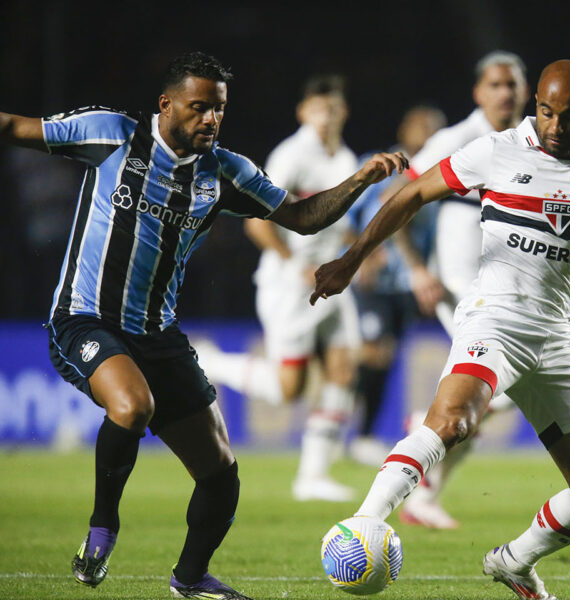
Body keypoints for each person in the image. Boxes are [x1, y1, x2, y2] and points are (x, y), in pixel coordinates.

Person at [311, 59, 570, 599]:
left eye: (569, 116)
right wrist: (351, 259)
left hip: (553, 338)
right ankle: (364, 522)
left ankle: (514, 561)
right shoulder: (499, 149)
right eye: (546, 111)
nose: (554, 125)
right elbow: (414, 193)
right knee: (454, 421)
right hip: (494, 318)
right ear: (536, 104)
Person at [0, 51, 407, 599]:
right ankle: (101, 532)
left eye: (218, 110)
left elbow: (304, 218)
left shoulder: (226, 172)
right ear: (166, 105)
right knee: (133, 405)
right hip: (84, 318)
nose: (211, 120)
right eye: (199, 109)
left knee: (221, 475)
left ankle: (190, 580)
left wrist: (362, 177)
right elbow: (13, 126)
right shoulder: (111, 136)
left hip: (158, 335)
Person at [194, 74, 363, 502]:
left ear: (344, 112)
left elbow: (334, 223)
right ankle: (213, 363)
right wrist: (295, 266)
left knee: (344, 369)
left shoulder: (343, 157)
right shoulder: (293, 154)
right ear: (303, 112)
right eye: (319, 109)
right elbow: (256, 221)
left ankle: (313, 476)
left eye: (334, 109)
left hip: (328, 282)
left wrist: (356, 252)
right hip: (290, 286)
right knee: (290, 389)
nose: (326, 117)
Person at [396, 50, 530, 529]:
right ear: (478, 92)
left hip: (510, 290)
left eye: (512, 85)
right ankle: (424, 481)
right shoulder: (455, 140)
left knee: (485, 397)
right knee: (503, 386)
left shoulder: (531, 142)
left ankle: (425, 484)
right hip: (461, 287)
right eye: (496, 84)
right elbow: (400, 199)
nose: (505, 93)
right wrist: (416, 269)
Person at [347, 105, 447, 467]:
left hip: (407, 284)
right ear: (405, 129)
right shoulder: (382, 167)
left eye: (435, 129)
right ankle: (348, 428)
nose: (428, 134)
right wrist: (363, 255)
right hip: (373, 279)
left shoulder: (441, 174)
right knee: (373, 352)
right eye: (422, 126)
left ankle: (361, 433)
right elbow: (347, 216)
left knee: (384, 358)